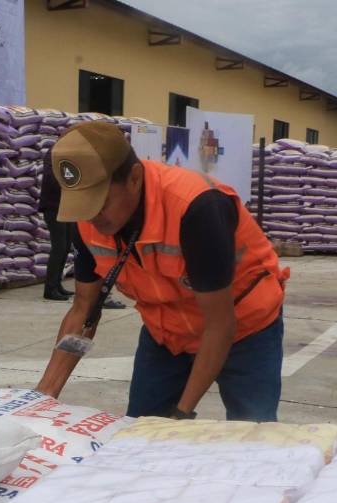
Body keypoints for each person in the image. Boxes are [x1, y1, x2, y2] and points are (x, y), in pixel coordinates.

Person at [35, 122, 288, 421]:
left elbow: (220, 326)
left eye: (100, 203)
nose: (91, 216)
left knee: (254, 433)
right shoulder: (86, 221)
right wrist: (41, 400)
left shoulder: (197, 208)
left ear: (134, 178)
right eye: (83, 205)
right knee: (141, 430)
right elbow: (83, 310)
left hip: (244, 329)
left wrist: (180, 414)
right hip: (167, 334)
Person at [40, 146, 125, 309]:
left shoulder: (67, 158)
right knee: (59, 247)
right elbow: (58, 181)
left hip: (66, 208)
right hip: (54, 208)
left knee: (65, 247)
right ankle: (50, 289)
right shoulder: (54, 157)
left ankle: (57, 286)